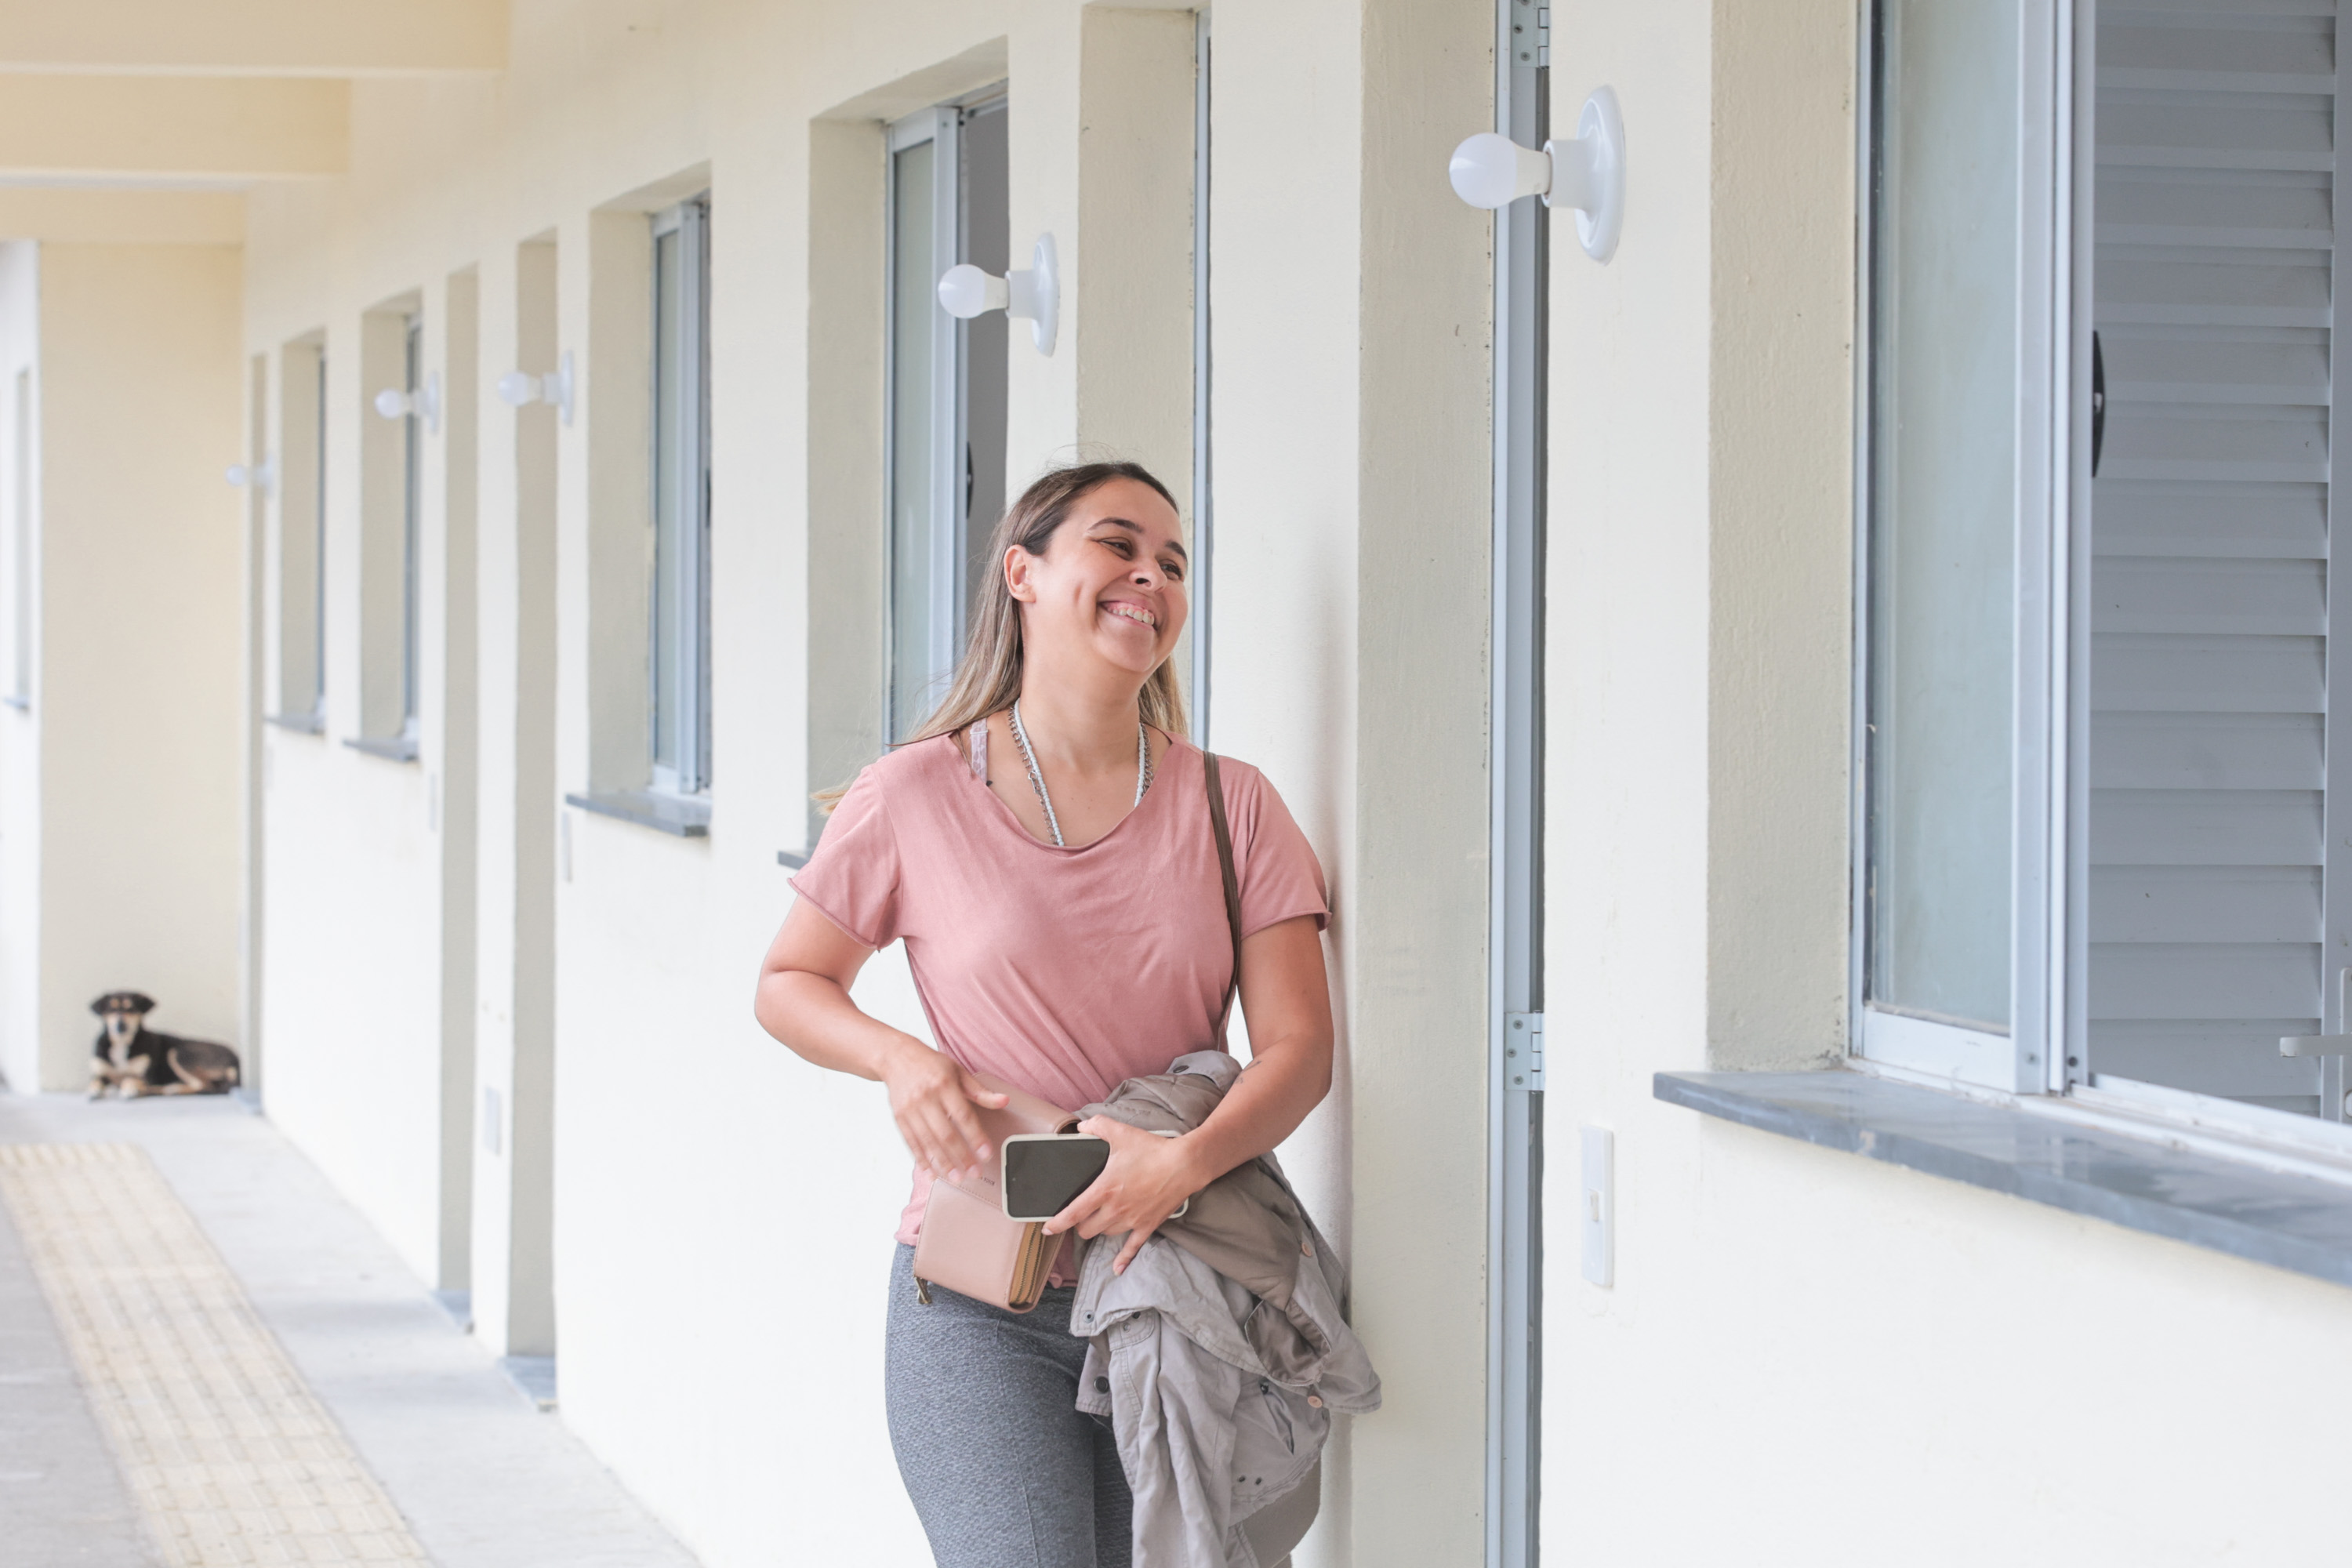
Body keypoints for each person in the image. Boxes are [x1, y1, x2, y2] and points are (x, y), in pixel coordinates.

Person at [753, 460, 1336, 1568]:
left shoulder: (1234, 804)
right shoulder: (913, 792)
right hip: (978, 1296)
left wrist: (1187, 1161)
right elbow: (789, 983)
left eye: (1170, 561)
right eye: (1118, 546)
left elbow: (1302, 1052)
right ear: (1022, 572)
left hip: (1175, 1301)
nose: (1149, 577)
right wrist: (901, 1060)